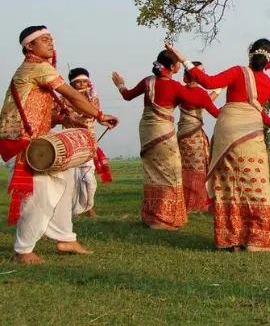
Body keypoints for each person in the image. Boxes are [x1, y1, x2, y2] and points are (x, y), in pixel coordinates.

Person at [0, 26, 118, 264]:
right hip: (21, 142)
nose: (51, 43)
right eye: (44, 39)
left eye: (51, 39)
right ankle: (23, 250)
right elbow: (73, 95)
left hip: (37, 141)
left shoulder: (38, 69)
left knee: (65, 186)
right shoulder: (37, 67)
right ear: (29, 46)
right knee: (38, 195)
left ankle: (65, 238)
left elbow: (36, 110)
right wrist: (99, 115)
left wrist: (63, 119)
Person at [167, 40, 270, 251]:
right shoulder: (268, 83)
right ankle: (256, 241)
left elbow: (207, 81)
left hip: (227, 131)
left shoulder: (237, 72)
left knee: (227, 182)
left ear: (250, 54)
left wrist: (183, 59)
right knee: (255, 183)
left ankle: (228, 239)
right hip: (250, 133)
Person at [112, 50, 216, 230]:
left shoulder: (148, 81)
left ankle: (152, 217)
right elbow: (198, 101)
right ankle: (165, 219)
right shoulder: (175, 86)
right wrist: (209, 89)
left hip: (146, 131)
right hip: (163, 132)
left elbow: (127, 95)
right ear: (173, 67)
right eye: (179, 63)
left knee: (152, 172)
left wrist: (120, 84)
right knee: (171, 173)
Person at [62, 68, 114, 217]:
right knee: (73, 179)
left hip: (88, 141)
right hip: (71, 141)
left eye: (85, 81)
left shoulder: (92, 97)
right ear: (72, 84)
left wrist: (104, 120)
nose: (82, 84)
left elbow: (93, 114)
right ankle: (78, 211)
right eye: (78, 82)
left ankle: (88, 207)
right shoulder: (63, 98)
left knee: (88, 179)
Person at [177, 62, 220, 212]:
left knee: (184, 169)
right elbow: (214, 111)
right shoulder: (200, 93)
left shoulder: (180, 90)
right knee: (198, 170)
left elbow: (202, 101)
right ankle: (198, 203)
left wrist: (217, 91)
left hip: (181, 136)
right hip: (194, 137)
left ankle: (184, 202)